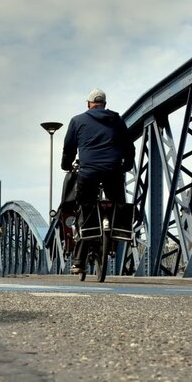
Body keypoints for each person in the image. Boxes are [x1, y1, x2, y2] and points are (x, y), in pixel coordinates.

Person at [60, 88, 135, 273]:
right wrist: (127, 165)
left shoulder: (77, 121)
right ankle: (117, 234)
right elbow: (129, 146)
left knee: (85, 208)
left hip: (88, 172)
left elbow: (69, 148)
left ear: (88, 104)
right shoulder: (116, 120)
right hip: (113, 171)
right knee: (118, 203)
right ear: (105, 105)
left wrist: (66, 165)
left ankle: (78, 261)